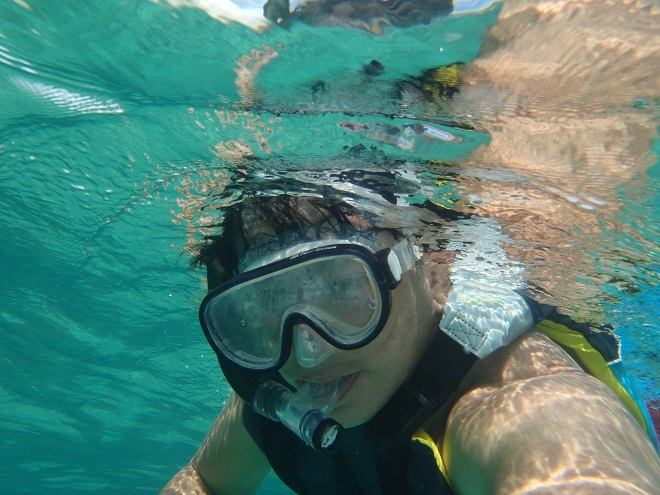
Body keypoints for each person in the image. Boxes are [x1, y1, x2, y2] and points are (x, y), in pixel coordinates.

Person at [161, 193, 660, 495]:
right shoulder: (283, 391)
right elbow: (205, 481)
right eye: (266, 307)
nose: (309, 352)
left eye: (343, 290)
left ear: (437, 277)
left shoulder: (523, 402)